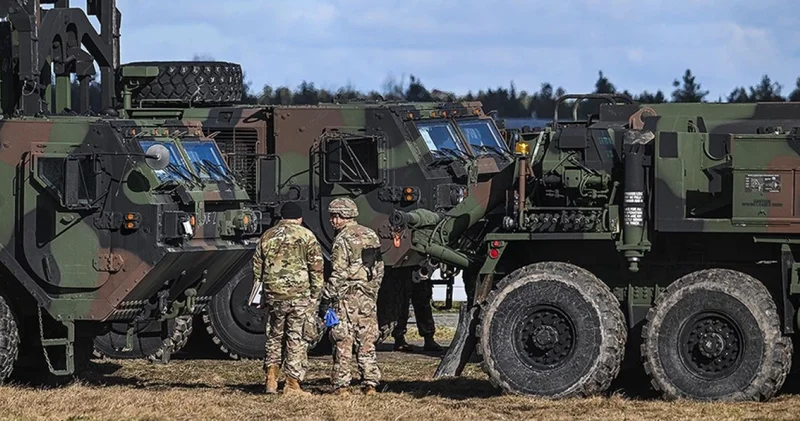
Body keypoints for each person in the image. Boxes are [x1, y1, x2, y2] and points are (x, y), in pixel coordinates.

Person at [253, 201, 323, 395]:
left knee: (274, 336)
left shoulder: (267, 236)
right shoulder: (306, 236)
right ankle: (292, 383)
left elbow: (257, 268)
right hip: (299, 295)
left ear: (282, 217)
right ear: (299, 218)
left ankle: (271, 379)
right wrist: (316, 296)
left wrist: (262, 294)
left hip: (274, 295)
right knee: (296, 337)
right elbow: (316, 268)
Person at [322, 197, 384, 396]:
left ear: (343, 216)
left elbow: (339, 272)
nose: (332, 220)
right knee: (367, 339)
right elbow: (379, 268)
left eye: (335, 216)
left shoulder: (342, 239)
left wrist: (326, 295)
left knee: (343, 340)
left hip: (346, 298)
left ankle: (342, 385)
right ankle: (370, 383)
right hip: (366, 296)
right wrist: (372, 290)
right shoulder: (371, 235)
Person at [392, 277, 442, 352]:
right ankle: (399, 338)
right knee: (402, 302)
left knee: (423, 301)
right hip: (402, 271)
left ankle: (429, 339)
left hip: (419, 269)